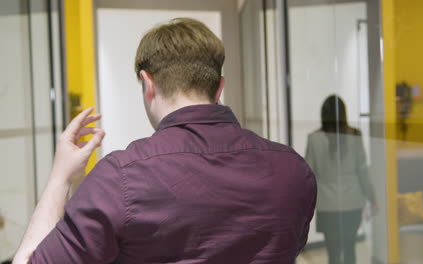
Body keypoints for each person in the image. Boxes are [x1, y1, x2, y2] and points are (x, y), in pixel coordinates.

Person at [13, 18, 317, 264]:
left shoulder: (119, 178)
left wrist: (60, 176)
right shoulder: (293, 170)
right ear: (219, 86)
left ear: (148, 83)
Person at [305, 95, 377, 264]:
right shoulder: (355, 135)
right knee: (350, 248)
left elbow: (308, 173)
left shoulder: (314, 138)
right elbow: (362, 171)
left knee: (333, 252)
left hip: (327, 204)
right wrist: (372, 197)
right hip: (352, 201)